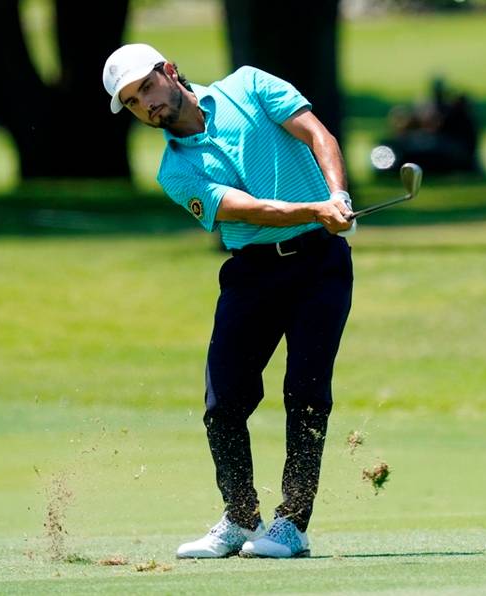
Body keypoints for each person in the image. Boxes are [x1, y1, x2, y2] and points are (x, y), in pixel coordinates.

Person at [102, 43, 355, 559]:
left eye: (146, 87)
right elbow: (247, 209)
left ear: (170, 71)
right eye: (131, 102)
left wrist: (338, 197)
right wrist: (315, 208)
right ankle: (241, 517)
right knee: (223, 402)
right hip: (252, 274)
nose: (146, 104)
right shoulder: (174, 171)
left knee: (306, 392)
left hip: (320, 265)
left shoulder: (250, 85)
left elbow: (317, 134)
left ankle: (292, 525)